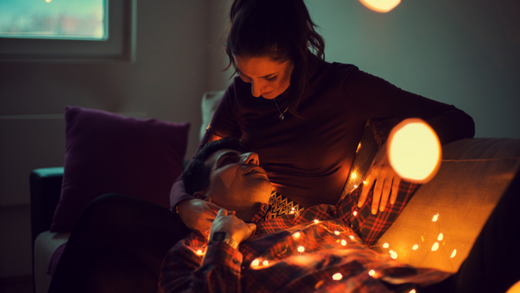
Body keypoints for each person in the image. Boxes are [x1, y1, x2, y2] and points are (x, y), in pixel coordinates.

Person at [171, 0, 475, 241]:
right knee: (121, 217)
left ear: (299, 51)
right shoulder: (239, 95)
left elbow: (459, 119)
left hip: (291, 236)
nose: (257, 90)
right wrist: (182, 204)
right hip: (224, 227)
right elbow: (194, 169)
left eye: (269, 77)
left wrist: (400, 143)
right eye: (245, 75)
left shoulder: (345, 88)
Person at [160, 138, 520, 293]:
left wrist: (396, 143)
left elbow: (404, 171)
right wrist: (223, 240)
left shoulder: (312, 217)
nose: (251, 157)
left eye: (248, 154)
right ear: (202, 195)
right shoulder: (190, 254)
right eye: (230, 161)